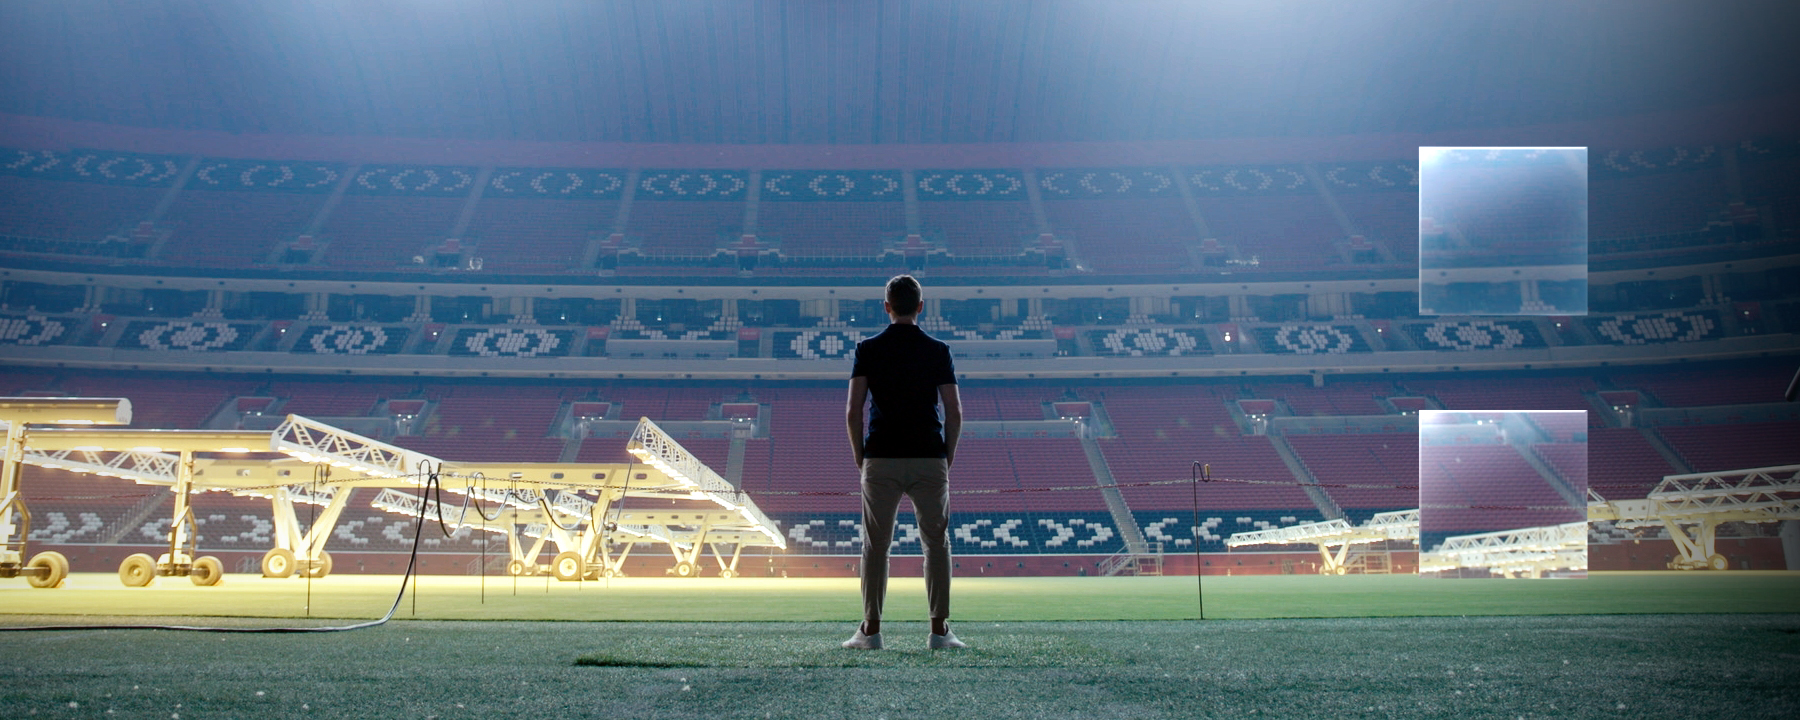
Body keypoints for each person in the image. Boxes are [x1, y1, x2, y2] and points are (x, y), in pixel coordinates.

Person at [841, 274, 966, 650]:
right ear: (921, 307)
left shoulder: (867, 348)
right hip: (929, 456)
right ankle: (939, 631)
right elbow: (954, 411)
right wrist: (948, 456)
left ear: (887, 306)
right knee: (936, 545)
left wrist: (860, 458)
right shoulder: (938, 349)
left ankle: (871, 631)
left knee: (875, 546)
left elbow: (853, 411)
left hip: (881, 456)